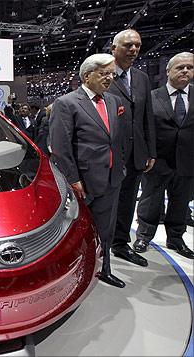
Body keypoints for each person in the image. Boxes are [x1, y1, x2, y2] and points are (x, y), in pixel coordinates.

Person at [50, 53, 127, 288]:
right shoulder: (67, 103)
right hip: (83, 180)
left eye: (112, 74)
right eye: (104, 73)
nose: (109, 78)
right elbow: (61, 147)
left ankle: (104, 269)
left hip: (112, 176)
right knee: (77, 232)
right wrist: (73, 179)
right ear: (87, 75)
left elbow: (114, 138)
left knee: (107, 228)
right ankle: (75, 275)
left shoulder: (112, 101)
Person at [133, 52, 194, 259]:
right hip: (157, 160)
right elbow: (142, 129)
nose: (185, 71)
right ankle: (143, 236)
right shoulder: (152, 97)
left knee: (180, 201)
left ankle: (176, 238)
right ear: (168, 71)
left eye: (189, 67)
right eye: (180, 67)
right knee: (150, 200)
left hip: (187, 161)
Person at [108, 29, 156, 267]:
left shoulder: (141, 78)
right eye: (128, 45)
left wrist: (151, 151)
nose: (134, 50)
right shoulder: (102, 74)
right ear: (114, 49)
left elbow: (147, 117)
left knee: (128, 201)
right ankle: (101, 245)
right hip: (109, 154)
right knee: (106, 201)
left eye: (137, 45)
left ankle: (120, 243)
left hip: (137, 153)